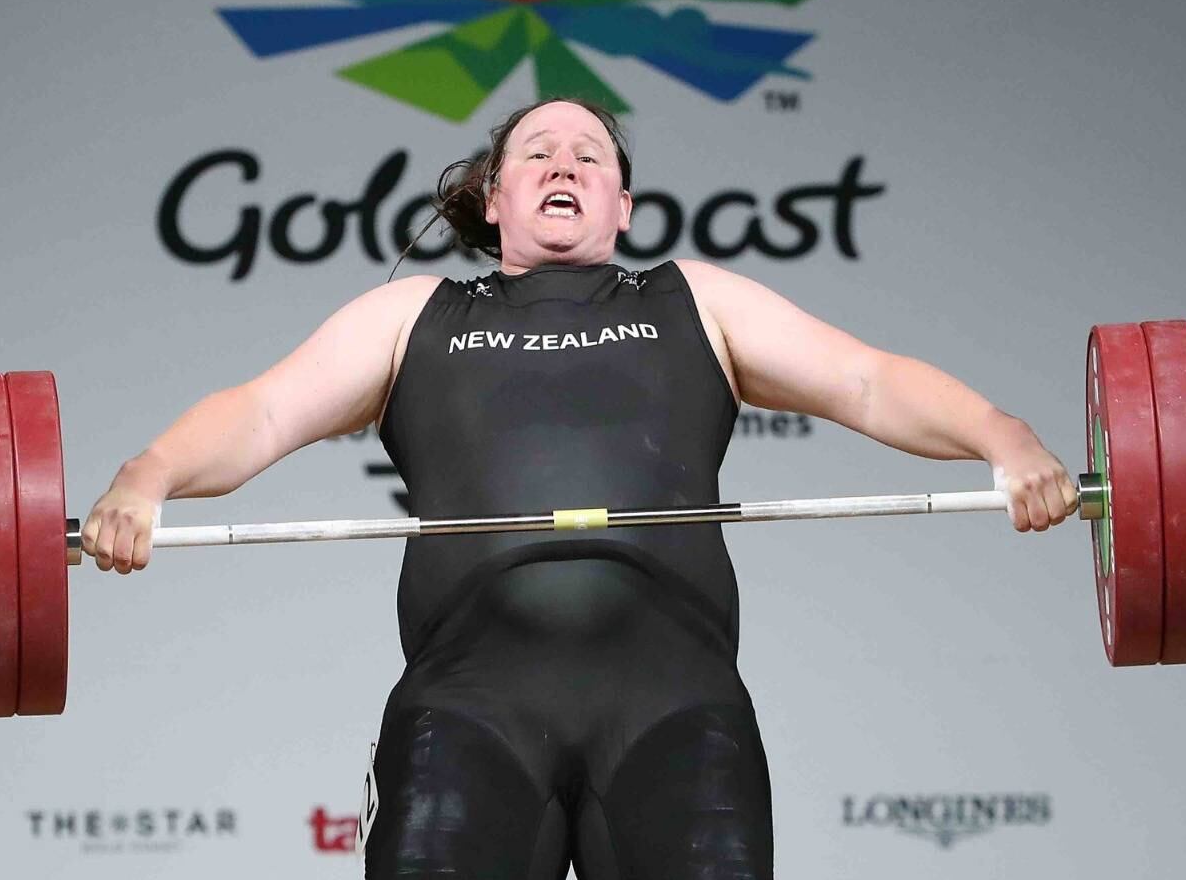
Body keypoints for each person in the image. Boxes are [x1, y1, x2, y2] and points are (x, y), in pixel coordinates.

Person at [82, 98, 1077, 878]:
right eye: (538, 153)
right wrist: (146, 476)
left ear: (622, 207)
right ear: (494, 199)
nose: (564, 165)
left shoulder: (696, 301)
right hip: (464, 716)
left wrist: (1005, 438)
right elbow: (260, 414)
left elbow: (868, 381)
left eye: (590, 156)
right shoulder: (411, 317)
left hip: (676, 714)